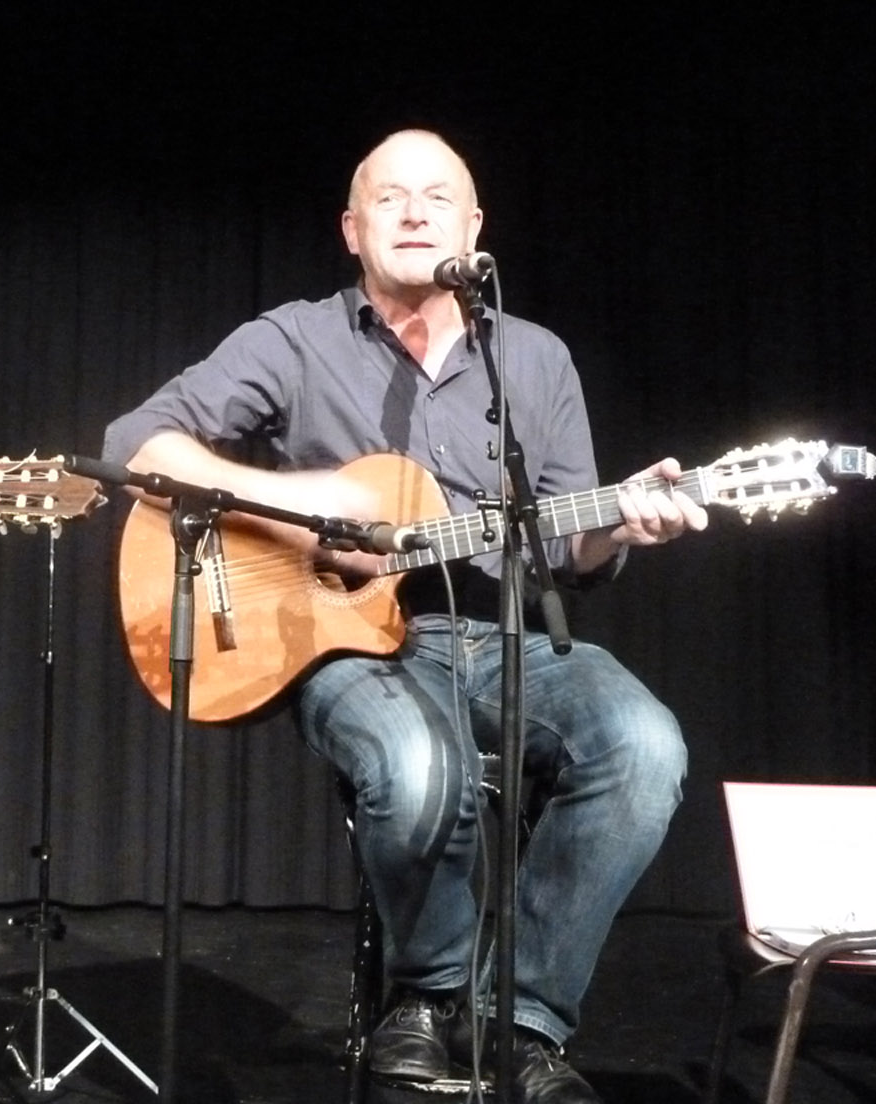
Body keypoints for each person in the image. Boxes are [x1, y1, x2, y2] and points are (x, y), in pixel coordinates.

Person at [100, 129, 706, 1104]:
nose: (415, 213)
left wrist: (619, 525)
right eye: (390, 198)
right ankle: (426, 995)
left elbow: (567, 550)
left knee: (643, 748)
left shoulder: (534, 359)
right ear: (352, 228)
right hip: (346, 642)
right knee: (419, 766)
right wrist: (310, 512)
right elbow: (137, 446)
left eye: (437, 198)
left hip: (506, 636)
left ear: (473, 226)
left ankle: (518, 1020)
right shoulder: (292, 340)